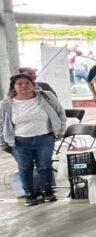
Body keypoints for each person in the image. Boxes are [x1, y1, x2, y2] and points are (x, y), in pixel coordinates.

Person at [1, 73, 66, 205]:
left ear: (33, 84)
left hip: (45, 138)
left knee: (45, 166)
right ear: (13, 87)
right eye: (19, 84)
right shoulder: (6, 104)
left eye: (27, 83)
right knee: (25, 168)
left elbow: (60, 113)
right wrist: (2, 143)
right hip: (19, 141)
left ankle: (48, 192)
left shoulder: (47, 96)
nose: (23, 86)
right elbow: (1, 124)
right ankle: (30, 195)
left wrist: (61, 131)